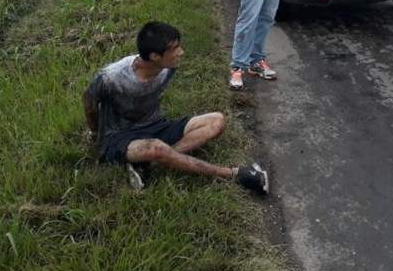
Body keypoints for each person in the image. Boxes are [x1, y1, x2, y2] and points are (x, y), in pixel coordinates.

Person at [83, 21, 268, 193]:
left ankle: (149, 164)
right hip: (118, 137)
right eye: (175, 49)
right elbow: (88, 99)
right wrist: (95, 132)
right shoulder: (111, 77)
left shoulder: (168, 67)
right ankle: (236, 174)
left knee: (216, 121)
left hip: (155, 126)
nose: (181, 52)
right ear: (155, 56)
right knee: (156, 148)